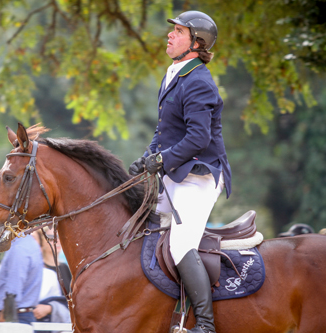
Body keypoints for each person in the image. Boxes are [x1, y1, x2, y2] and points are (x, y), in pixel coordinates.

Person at [128, 11, 231, 333]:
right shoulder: (175, 74)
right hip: (176, 174)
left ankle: (205, 324)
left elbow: (198, 138)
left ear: (196, 42)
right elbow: (165, 133)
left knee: (179, 244)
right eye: (171, 30)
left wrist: (160, 161)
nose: (169, 35)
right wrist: (145, 158)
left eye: (178, 31)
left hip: (199, 177)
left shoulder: (199, 81)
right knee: (140, 229)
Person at [0, 234, 43, 326]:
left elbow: (14, 287)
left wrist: (4, 316)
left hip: (12, 317)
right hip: (19, 316)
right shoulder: (26, 243)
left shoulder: (20, 247)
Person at [33, 228, 72, 331]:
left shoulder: (66, 268)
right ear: (42, 243)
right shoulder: (38, 269)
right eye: (51, 238)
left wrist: (52, 308)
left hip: (65, 324)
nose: (57, 241)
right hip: (43, 325)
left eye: (60, 237)